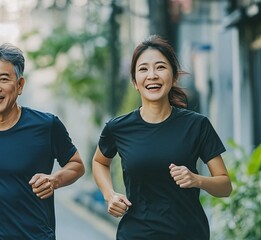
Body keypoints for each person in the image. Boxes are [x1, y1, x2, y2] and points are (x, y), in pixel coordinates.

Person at [91, 35, 232, 239]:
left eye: (160, 67)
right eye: (143, 69)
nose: (152, 75)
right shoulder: (118, 128)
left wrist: (196, 180)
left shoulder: (196, 125)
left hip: (188, 234)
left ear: (173, 77)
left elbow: (225, 186)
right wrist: (109, 195)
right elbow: (99, 161)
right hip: (136, 234)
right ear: (134, 82)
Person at [0, 43, 85, 239]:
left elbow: (76, 164)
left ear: (19, 85)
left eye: (4, 79)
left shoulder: (47, 125)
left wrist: (55, 180)